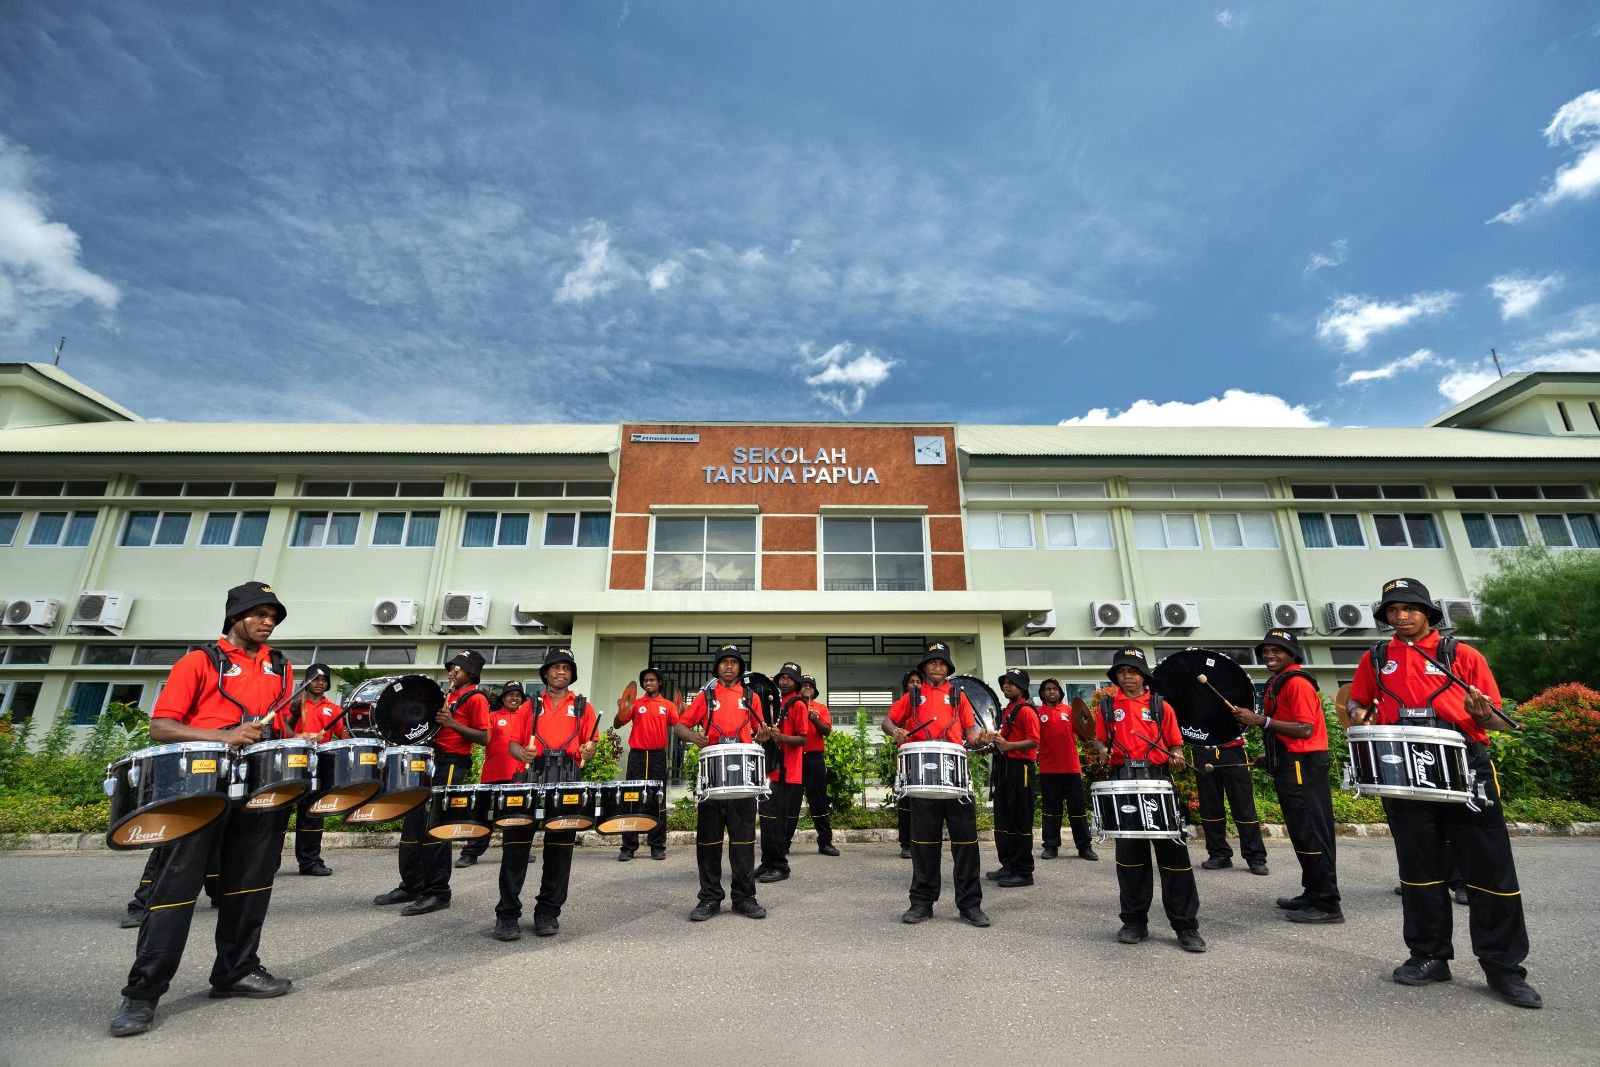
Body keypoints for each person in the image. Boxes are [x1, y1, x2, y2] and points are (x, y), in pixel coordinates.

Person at [110, 581, 296, 1038]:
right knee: (174, 892)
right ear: (234, 616)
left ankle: (235, 970)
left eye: (273, 615)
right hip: (199, 788)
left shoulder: (281, 667)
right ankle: (142, 995)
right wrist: (225, 736)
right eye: (258, 613)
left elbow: (280, 726)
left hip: (258, 789)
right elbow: (160, 726)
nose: (267, 621)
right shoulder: (199, 661)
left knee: (249, 887)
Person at [1347, 578, 1542, 1008]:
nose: (1401, 616)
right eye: (1393, 610)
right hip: (1404, 768)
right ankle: (1429, 955)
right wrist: (1359, 712)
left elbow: (1497, 722)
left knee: (1490, 871)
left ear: (1428, 613)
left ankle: (1503, 967)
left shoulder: (1462, 655)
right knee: (1419, 870)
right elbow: (1358, 705)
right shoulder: (1376, 657)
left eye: (1409, 608)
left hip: (1465, 765)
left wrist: (1482, 713)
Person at [1093, 647, 1206, 953]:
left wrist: (1179, 755)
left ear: (1143, 675)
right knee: (1130, 858)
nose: (1126, 677)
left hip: (1157, 780)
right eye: (1121, 672)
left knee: (1174, 858)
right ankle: (1134, 922)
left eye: (1132, 671)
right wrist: (1102, 749)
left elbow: (1175, 745)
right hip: (1123, 783)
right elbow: (1101, 739)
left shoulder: (1160, 706)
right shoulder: (1106, 706)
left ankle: (1186, 926)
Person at [1227, 630, 1342, 923]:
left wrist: (1260, 720)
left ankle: (1328, 904)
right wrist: (1272, 755)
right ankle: (1313, 891)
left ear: (1292, 654)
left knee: (1312, 831)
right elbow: (1288, 728)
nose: (1269, 655)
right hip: (1291, 762)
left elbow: (1304, 729)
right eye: (1266, 651)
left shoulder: (1298, 683)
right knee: (1302, 831)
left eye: (1277, 650)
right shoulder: (1280, 682)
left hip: (1304, 766)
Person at [492, 650, 599, 940]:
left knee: (560, 851)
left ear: (571, 674)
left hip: (566, 781)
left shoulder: (582, 707)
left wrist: (590, 750)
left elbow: (591, 744)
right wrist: (521, 752)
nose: (560, 672)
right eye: (555, 668)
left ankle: (548, 913)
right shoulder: (529, 706)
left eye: (565, 668)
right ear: (546, 674)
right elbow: (513, 745)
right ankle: (507, 915)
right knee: (515, 848)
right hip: (528, 779)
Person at [372, 650, 489, 916]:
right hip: (428, 760)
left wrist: (452, 723)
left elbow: (484, 737)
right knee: (413, 824)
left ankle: (438, 892)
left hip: (451, 764)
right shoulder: (445, 695)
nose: (452, 673)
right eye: (450, 668)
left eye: (458, 669)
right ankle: (412, 884)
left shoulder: (476, 698)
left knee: (435, 827)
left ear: (471, 673)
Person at [884, 642, 990, 927]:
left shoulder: (959, 695)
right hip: (922, 778)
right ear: (925, 667)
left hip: (955, 775)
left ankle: (970, 905)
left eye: (942, 663)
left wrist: (981, 737)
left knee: (966, 845)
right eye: (932, 662)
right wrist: (897, 732)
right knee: (923, 844)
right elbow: (888, 721)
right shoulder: (913, 695)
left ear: (948, 668)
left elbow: (970, 732)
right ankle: (921, 903)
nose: (937, 667)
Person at [674, 645, 771, 921]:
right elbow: (680, 726)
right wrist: (694, 738)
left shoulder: (750, 696)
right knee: (708, 843)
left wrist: (763, 735)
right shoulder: (705, 697)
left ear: (740, 668)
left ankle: (744, 897)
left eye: (734, 662)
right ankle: (709, 898)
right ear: (716, 667)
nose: (729, 666)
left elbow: (760, 730)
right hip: (712, 780)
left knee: (743, 842)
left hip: (743, 780)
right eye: (724, 662)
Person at [1193, 707, 1269, 876]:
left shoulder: (1231, 686)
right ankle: (1219, 854)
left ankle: (1255, 857)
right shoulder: (1194, 691)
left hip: (1233, 750)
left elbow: (1249, 716)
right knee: (1210, 807)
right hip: (1203, 750)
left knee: (1244, 807)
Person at [614, 666, 677, 862]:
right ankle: (628, 847)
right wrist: (622, 709)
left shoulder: (667, 705)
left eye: (652, 680)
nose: (648, 683)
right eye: (645, 680)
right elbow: (617, 724)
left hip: (658, 756)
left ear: (659, 683)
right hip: (637, 756)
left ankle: (657, 845)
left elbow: (680, 723)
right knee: (632, 800)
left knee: (657, 801)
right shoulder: (635, 703)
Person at [286, 663, 343, 876]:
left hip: (319, 763)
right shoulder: (293, 705)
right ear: (306, 681)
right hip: (292, 761)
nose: (320, 683)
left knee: (313, 813)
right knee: (279, 812)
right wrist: (294, 717)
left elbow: (343, 737)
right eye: (315, 679)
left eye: (324, 679)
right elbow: (283, 730)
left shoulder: (334, 709)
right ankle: (268, 863)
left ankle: (310, 862)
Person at [756, 661, 810, 883]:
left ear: (797, 682)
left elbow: (802, 739)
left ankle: (780, 866)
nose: (784, 681)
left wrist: (782, 738)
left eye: (789, 678)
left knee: (778, 823)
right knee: (767, 820)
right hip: (771, 770)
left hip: (788, 772)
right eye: (782, 677)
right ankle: (767, 862)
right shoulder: (774, 702)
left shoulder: (798, 704)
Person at [987, 668, 1040, 888]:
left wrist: (1009, 746)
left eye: (1012, 683)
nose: (1007, 686)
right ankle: (1008, 865)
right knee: (1004, 819)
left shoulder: (1026, 711)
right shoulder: (1007, 709)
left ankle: (1024, 871)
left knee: (1019, 820)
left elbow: (1034, 740)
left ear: (1023, 687)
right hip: (1005, 767)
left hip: (1021, 769)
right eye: (1005, 683)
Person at [1035, 678, 1096, 862]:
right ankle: (1051, 846)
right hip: (1048, 769)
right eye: (1047, 689)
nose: (1052, 692)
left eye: (1055, 689)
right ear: (1042, 693)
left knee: (1077, 810)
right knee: (1051, 811)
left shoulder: (1070, 711)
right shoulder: (1037, 713)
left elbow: (1086, 736)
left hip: (1071, 768)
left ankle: (1084, 847)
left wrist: (1088, 724)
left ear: (1060, 692)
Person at [799, 675, 839, 857]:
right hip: (795, 759)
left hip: (814, 759)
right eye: (803, 685)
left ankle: (825, 842)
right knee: (790, 803)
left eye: (810, 686)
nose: (806, 688)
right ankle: (782, 844)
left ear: (814, 691)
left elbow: (827, 731)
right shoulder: (792, 705)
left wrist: (814, 719)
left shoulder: (821, 708)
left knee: (819, 802)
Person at [894, 668, 922, 859]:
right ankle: (906, 844)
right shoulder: (902, 704)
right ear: (906, 686)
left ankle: (921, 842)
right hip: (907, 758)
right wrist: (898, 730)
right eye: (911, 681)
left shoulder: (927, 703)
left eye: (918, 681)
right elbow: (891, 723)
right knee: (906, 801)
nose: (915, 685)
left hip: (925, 757)